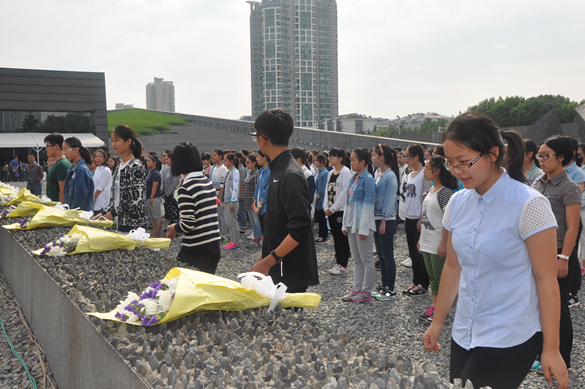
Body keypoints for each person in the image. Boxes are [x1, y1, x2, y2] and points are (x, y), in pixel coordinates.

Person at [423, 112, 568, 389]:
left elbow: (546, 280)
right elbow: (454, 267)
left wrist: (551, 348)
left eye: (464, 162)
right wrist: (438, 322)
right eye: (451, 164)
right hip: (465, 330)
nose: (457, 171)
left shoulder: (529, 204)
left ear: (493, 153)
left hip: (511, 334)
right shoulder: (457, 203)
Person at [249, 109, 319, 294]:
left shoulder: (290, 174)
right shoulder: (277, 170)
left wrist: (269, 261)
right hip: (279, 267)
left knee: (289, 321)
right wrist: (262, 259)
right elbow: (276, 228)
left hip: (290, 273)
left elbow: (301, 228)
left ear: (263, 139)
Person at [531, 135, 581, 372]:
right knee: (540, 305)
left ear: (561, 157)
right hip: (538, 252)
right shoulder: (538, 183)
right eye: (539, 155)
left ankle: (562, 359)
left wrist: (564, 258)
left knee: (558, 307)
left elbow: (573, 227)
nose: (541, 159)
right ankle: (543, 354)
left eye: (545, 155)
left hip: (559, 252)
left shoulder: (569, 187)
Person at [166, 142, 221, 273]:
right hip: (214, 246)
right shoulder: (207, 181)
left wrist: (170, 228)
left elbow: (187, 224)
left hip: (196, 249)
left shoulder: (186, 188)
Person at [417, 155, 458, 321]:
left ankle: (443, 312)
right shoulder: (432, 190)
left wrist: (444, 244)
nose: (424, 171)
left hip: (438, 241)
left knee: (442, 278)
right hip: (427, 240)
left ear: (437, 171)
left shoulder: (445, 193)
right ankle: (435, 307)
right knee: (432, 277)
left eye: (427, 168)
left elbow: (449, 220)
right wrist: (420, 239)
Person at [94, 125, 147, 232]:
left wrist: (112, 214)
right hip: (121, 223)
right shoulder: (119, 166)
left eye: (116, 140)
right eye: (112, 140)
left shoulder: (135, 165)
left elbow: (137, 199)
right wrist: (103, 213)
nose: (113, 144)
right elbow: (117, 198)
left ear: (128, 142)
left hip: (134, 226)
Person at [340, 148, 376, 303]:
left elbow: (369, 205)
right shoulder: (354, 178)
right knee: (356, 259)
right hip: (351, 224)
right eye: (351, 159)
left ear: (363, 162)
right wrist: (344, 224)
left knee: (367, 259)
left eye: (354, 160)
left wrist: (363, 228)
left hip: (362, 226)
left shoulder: (368, 179)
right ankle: (357, 288)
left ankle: (366, 292)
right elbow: (348, 203)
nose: (351, 162)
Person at [370, 144, 399, 301]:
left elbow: (389, 200)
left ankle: (391, 289)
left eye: (374, 155)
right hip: (376, 217)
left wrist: (384, 221)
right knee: (380, 254)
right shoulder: (377, 173)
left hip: (386, 219)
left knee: (388, 254)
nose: (372, 158)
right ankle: (383, 286)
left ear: (382, 157)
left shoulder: (390, 176)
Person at [403, 144, 431, 296]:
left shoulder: (424, 174)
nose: (405, 158)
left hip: (419, 217)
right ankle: (416, 281)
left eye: (408, 156)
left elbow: (425, 198)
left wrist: (421, 218)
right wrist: (407, 217)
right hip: (410, 216)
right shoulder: (410, 174)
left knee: (420, 253)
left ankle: (424, 284)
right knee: (412, 253)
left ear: (416, 157)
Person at [323, 148, 352, 275]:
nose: (330, 158)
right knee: (335, 237)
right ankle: (338, 262)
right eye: (330, 156)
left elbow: (345, 194)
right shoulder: (331, 173)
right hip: (330, 210)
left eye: (333, 156)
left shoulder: (346, 173)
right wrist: (325, 207)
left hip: (340, 210)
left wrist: (333, 208)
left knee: (342, 238)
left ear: (340, 158)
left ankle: (343, 264)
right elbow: (327, 191)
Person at [63, 137, 94, 211]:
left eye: (66, 150)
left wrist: (72, 214)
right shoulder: (74, 168)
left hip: (79, 215)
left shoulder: (81, 169)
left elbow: (80, 196)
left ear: (76, 150)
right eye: (63, 150)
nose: (64, 153)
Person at [221, 153, 241, 250]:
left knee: (233, 222)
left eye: (225, 160)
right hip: (227, 200)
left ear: (231, 161)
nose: (224, 162)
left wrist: (233, 201)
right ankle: (232, 241)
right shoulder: (229, 172)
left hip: (232, 201)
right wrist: (225, 202)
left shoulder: (235, 172)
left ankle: (236, 243)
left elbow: (235, 187)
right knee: (229, 222)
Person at [44, 133, 71, 203]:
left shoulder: (62, 164)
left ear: (56, 146)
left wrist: (60, 208)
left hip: (57, 207)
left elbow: (63, 190)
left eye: (47, 146)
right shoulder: (56, 163)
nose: (46, 150)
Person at [243, 154, 262, 248]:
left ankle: (259, 240)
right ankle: (255, 239)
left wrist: (253, 202)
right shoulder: (249, 172)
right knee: (253, 223)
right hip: (247, 202)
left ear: (254, 163)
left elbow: (256, 189)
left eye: (248, 162)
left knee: (256, 222)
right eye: (245, 162)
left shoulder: (256, 173)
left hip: (252, 203)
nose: (246, 164)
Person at [210, 149, 228, 239]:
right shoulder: (215, 168)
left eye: (215, 155)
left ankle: (223, 234)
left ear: (220, 156)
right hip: (214, 194)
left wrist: (219, 195)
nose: (213, 157)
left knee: (222, 215)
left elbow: (222, 183)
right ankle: (218, 232)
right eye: (212, 155)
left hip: (219, 195)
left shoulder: (223, 168)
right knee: (216, 215)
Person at [252, 149, 271, 234]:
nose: (256, 159)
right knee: (263, 230)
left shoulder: (270, 172)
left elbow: (267, 190)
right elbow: (258, 188)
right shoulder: (261, 171)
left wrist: (259, 205)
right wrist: (254, 202)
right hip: (259, 205)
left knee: (267, 231)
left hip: (265, 206)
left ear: (264, 158)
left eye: (258, 156)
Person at [145, 155, 163, 237]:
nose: (147, 163)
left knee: (157, 215)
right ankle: (155, 231)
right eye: (147, 161)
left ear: (154, 162)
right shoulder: (151, 172)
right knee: (152, 216)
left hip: (154, 197)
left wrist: (152, 197)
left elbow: (154, 186)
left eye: (149, 161)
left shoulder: (155, 173)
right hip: (148, 196)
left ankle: (158, 232)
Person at [312, 154, 329, 243]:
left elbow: (324, 186)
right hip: (317, 199)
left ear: (322, 162)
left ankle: (324, 235)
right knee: (319, 217)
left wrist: (317, 196)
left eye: (316, 161)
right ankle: (320, 235)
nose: (315, 162)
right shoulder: (317, 172)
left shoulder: (325, 173)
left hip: (321, 199)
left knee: (323, 218)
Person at [161, 150, 180, 225]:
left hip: (172, 195)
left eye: (167, 159)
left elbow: (174, 184)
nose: (166, 160)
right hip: (167, 195)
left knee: (174, 212)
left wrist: (167, 194)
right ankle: (171, 227)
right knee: (169, 212)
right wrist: (163, 193)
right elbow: (165, 182)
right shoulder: (168, 169)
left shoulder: (175, 170)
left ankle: (175, 230)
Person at [92, 149, 112, 214]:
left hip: (102, 199)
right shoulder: (97, 169)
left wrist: (93, 198)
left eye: (100, 157)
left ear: (104, 158)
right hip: (95, 198)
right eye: (96, 157)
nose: (98, 158)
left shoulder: (106, 170)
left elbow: (101, 187)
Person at [235, 152, 248, 234]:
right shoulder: (237, 169)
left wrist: (240, 193)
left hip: (241, 192)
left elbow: (242, 183)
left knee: (241, 210)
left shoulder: (242, 169)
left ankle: (243, 226)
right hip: (237, 192)